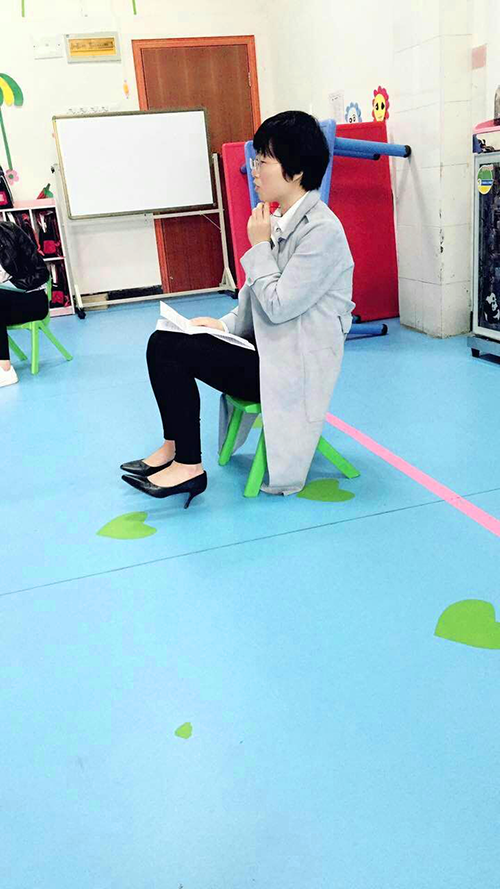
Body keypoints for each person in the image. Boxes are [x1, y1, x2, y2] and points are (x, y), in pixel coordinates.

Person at [121, 110, 355, 506]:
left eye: (263, 161)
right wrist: (223, 325)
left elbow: (278, 305)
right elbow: (252, 299)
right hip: (269, 352)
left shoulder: (323, 232)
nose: (255, 171)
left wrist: (258, 246)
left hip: (292, 368)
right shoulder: (280, 219)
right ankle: (175, 447)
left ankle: (189, 466)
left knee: (171, 350)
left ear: (296, 171)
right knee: (163, 340)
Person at [0, 221, 50, 388]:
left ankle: (5, 370)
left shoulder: (10, 231)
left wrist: (13, 285)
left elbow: (41, 272)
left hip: (30, 298)